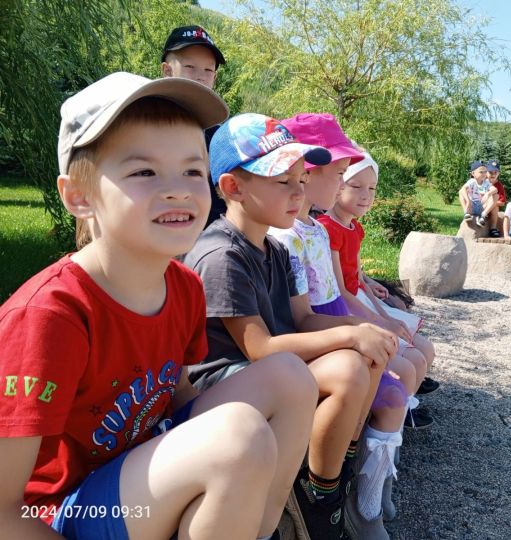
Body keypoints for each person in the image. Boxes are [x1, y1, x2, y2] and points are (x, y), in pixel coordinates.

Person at [0, 72, 319, 540]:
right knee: (237, 435)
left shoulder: (184, 286)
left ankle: (257, 529)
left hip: (138, 465)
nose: (179, 189)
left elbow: (179, 394)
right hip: (66, 511)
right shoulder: (49, 317)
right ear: (78, 196)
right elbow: (6, 512)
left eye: (192, 169)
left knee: (289, 376)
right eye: (144, 171)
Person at [182, 113, 399, 540]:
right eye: (284, 182)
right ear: (232, 187)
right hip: (226, 385)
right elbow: (259, 347)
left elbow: (302, 318)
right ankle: (319, 496)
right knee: (349, 366)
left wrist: (362, 325)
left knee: (368, 354)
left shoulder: (277, 249)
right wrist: (349, 334)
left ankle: (335, 477)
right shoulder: (222, 254)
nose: (298, 193)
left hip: (273, 372)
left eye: (302, 180)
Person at [268, 113, 411, 538]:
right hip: (309, 338)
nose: (343, 184)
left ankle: (349, 483)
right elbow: (295, 316)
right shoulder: (287, 236)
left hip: (326, 322)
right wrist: (357, 327)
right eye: (340, 174)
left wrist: (371, 320)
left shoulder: (312, 230)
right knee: (370, 375)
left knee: (377, 366)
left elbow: (337, 288)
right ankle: (330, 492)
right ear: (307, 173)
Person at [318, 150, 438, 429]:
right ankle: (390, 416)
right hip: (344, 305)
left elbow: (356, 275)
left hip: (357, 297)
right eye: (356, 187)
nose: (366, 195)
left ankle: (402, 410)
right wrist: (381, 319)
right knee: (408, 354)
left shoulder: (354, 228)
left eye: (371, 188)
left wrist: (374, 294)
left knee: (422, 347)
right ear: (338, 188)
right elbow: (341, 289)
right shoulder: (328, 228)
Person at [161, 24, 228, 226]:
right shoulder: (145, 124)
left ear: (215, 78)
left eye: (208, 70)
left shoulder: (220, 137)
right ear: (167, 70)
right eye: (190, 67)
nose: (200, 76)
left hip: (211, 246)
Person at [458, 160, 499, 236]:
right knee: (461, 192)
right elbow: (463, 189)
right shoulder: (472, 181)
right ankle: (466, 213)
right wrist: (468, 201)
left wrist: (488, 194)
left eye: (485, 172)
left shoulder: (486, 183)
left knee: (496, 195)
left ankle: (483, 216)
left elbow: (495, 190)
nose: (483, 174)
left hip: (481, 207)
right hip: (471, 206)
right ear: (473, 173)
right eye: (481, 172)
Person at [486, 159, 507, 237]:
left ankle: (493, 228)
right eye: (490, 172)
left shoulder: (499, 185)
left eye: (495, 172)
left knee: (496, 207)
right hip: (481, 205)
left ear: (498, 173)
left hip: (491, 208)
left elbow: (502, 202)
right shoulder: (482, 182)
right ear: (486, 172)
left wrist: (492, 203)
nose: (493, 174)